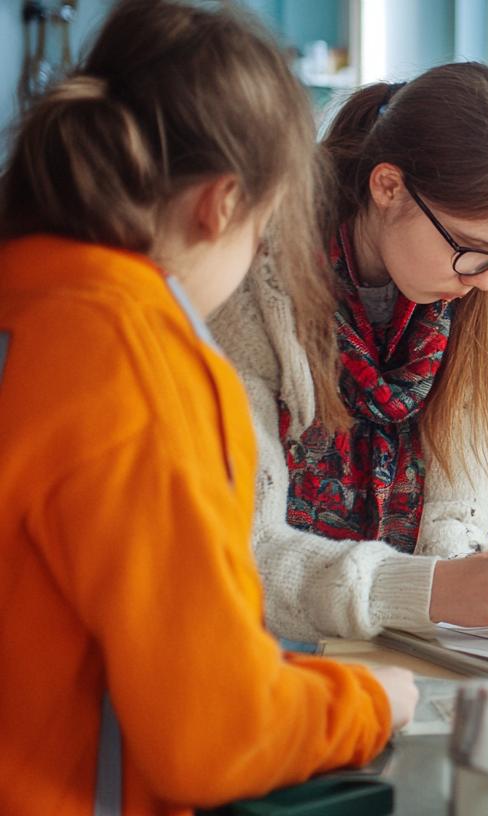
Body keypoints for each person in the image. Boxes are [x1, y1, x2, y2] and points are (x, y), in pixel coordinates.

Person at [0, 1, 414, 812]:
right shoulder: (136, 365)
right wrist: (375, 701)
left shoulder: (28, 297)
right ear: (220, 206)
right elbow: (216, 736)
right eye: (264, 231)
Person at [211, 63, 488, 641]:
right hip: (260, 656)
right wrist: (428, 588)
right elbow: (239, 548)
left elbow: (463, 510)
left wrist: (475, 570)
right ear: (388, 188)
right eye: (473, 250)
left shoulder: (482, 282)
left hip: (408, 648)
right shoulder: (249, 283)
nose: (487, 281)